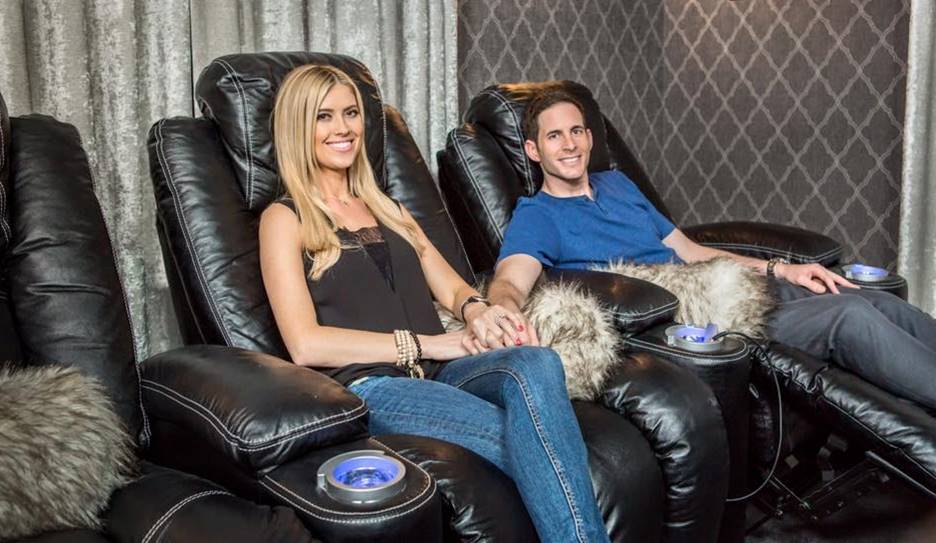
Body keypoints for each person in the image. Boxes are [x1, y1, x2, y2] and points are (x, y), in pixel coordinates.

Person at [258, 65, 609, 543]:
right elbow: (305, 344)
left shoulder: (389, 208)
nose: (343, 128)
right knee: (530, 439)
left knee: (537, 361)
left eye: (351, 113)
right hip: (371, 386)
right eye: (324, 116)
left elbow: (453, 289)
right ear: (298, 126)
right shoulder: (284, 218)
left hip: (442, 371)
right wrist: (429, 343)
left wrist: (481, 313)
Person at [488, 88, 936, 410]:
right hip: (692, 319)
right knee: (848, 315)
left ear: (589, 137)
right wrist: (502, 313)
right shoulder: (538, 215)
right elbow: (510, 280)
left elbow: (690, 250)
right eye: (554, 136)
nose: (569, 144)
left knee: (867, 297)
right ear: (533, 150)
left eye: (576, 131)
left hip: (722, 286)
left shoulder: (618, 184)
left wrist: (781, 270)